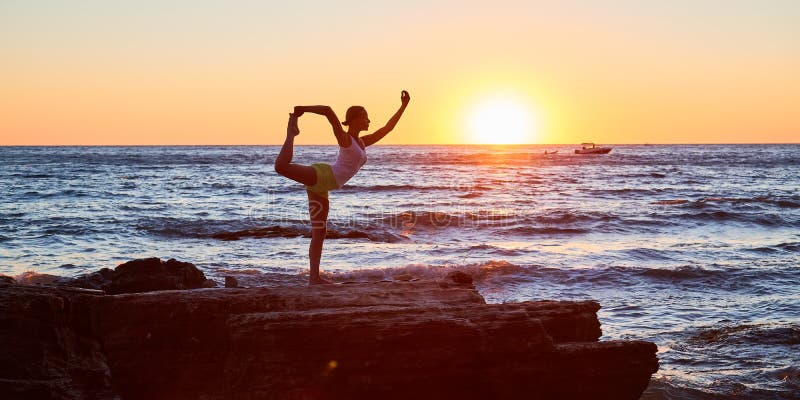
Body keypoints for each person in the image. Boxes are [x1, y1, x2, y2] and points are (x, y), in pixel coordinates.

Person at [274, 90, 411, 284]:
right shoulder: (345, 139)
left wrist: (403, 106)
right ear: (354, 119)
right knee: (281, 167)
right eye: (365, 117)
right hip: (322, 175)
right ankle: (291, 133)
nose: (369, 121)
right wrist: (303, 109)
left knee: (320, 232)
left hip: (324, 187)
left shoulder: (362, 142)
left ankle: (314, 278)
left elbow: (388, 128)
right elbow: (329, 111)